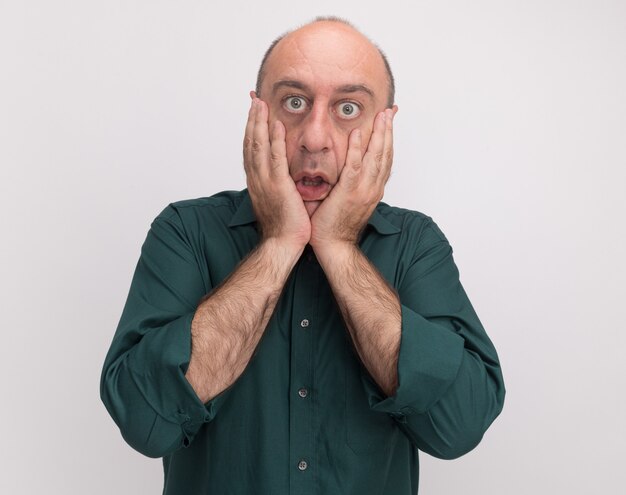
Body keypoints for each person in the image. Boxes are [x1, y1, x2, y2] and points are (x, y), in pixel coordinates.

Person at [101, 17, 505, 494]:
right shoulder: (185, 232)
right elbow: (148, 423)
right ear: (258, 114)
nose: (315, 138)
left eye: (348, 108)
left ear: (384, 128)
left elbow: (456, 428)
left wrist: (338, 247)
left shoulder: (415, 243)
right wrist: (277, 245)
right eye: (294, 102)